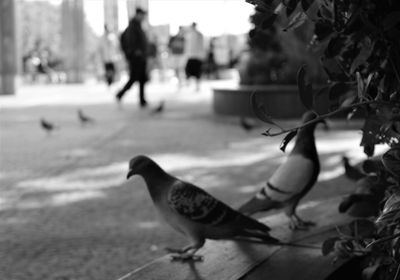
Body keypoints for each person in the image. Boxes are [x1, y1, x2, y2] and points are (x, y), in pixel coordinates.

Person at [116, 8, 149, 107]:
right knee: (134, 78)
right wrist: (135, 51)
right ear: (138, 14)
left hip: (140, 57)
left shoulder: (137, 26)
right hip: (136, 58)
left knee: (142, 78)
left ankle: (142, 99)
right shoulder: (133, 26)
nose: (143, 17)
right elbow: (131, 41)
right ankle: (120, 94)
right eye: (142, 15)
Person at [184, 22, 205, 91]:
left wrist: (202, 55)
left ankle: (197, 86)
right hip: (191, 56)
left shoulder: (199, 35)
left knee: (197, 72)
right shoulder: (189, 35)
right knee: (188, 71)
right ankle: (189, 83)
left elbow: (202, 45)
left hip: (197, 56)